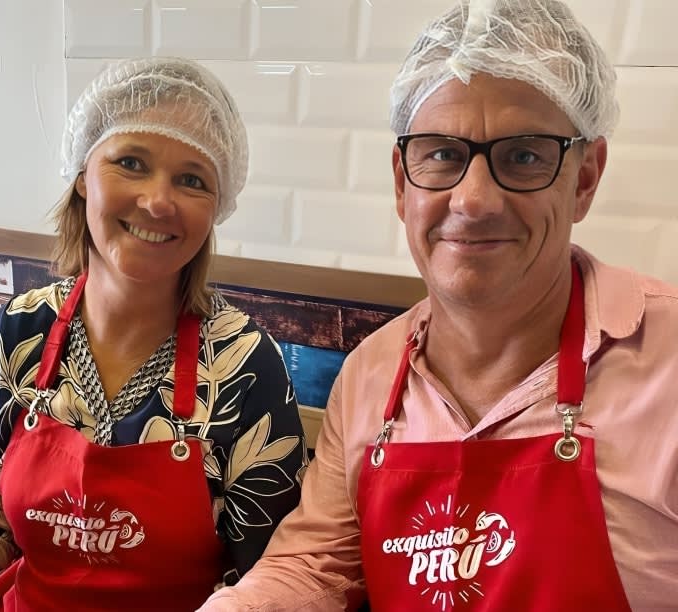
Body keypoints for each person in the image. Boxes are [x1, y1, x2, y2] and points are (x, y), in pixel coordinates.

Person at [199, 1, 678, 610]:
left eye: (524, 156)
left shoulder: (666, 358)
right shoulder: (371, 374)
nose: (473, 200)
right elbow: (315, 568)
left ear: (584, 179)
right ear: (403, 183)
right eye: (443, 154)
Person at [0, 57, 307, 611]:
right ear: (82, 174)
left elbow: (271, 579)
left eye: (192, 179)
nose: (158, 200)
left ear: (216, 207)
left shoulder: (244, 364)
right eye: (131, 163)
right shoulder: (17, 333)